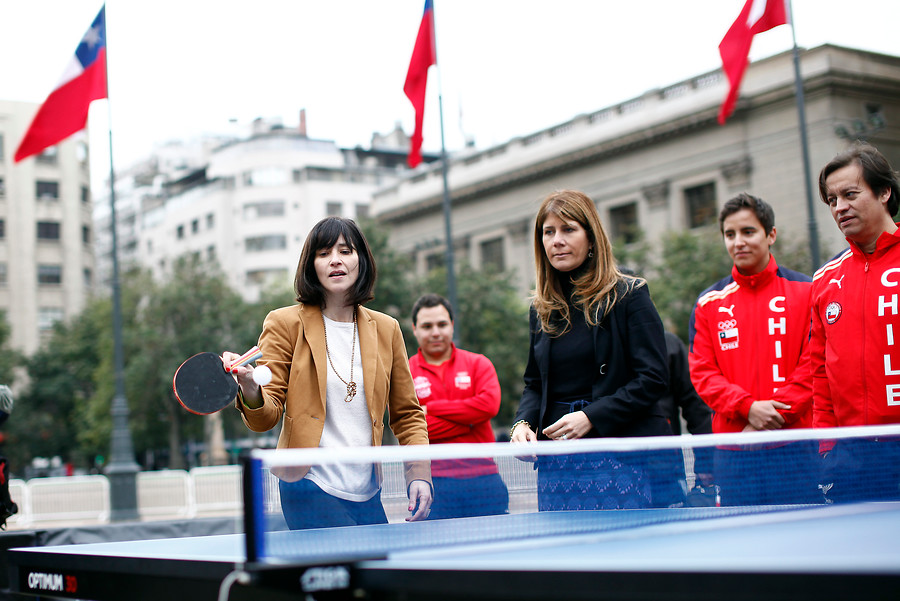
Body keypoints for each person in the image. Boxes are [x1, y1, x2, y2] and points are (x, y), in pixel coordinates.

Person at [224, 217, 432, 529]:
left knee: (376, 574)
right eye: (323, 253)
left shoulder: (387, 329)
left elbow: (407, 414)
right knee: (342, 572)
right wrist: (251, 389)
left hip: (367, 490)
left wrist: (419, 475)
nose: (335, 260)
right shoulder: (284, 323)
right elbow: (264, 418)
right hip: (308, 484)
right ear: (312, 265)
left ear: (361, 260)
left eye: (345, 251)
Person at [510, 189, 672, 511]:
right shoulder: (541, 309)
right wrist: (522, 424)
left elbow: (653, 377)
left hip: (623, 457)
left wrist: (591, 417)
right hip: (559, 461)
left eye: (568, 229)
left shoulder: (630, 295)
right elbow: (534, 384)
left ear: (592, 237)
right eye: (548, 232)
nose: (557, 240)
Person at [688, 193, 817, 506]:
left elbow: (815, 364)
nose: (738, 242)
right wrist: (747, 409)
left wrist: (768, 417)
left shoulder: (808, 290)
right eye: (730, 235)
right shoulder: (709, 303)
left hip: (795, 446)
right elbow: (703, 373)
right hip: (735, 451)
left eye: (748, 232)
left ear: (771, 235)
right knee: (744, 551)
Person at [812, 142, 900, 501]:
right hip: (852, 461)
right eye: (832, 200)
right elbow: (819, 371)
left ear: (884, 192)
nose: (840, 207)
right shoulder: (823, 281)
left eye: (850, 194)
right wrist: (827, 447)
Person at [408, 293, 509, 519]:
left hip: (484, 480)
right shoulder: (404, 373)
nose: (435, 332)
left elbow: (489, 406)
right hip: (433, 484)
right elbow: (412, 430)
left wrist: (431, 409)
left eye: (442, 324)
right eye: (427, 326)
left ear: (452, 326)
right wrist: (471, 422)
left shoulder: (478, 363)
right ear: (415, 329)